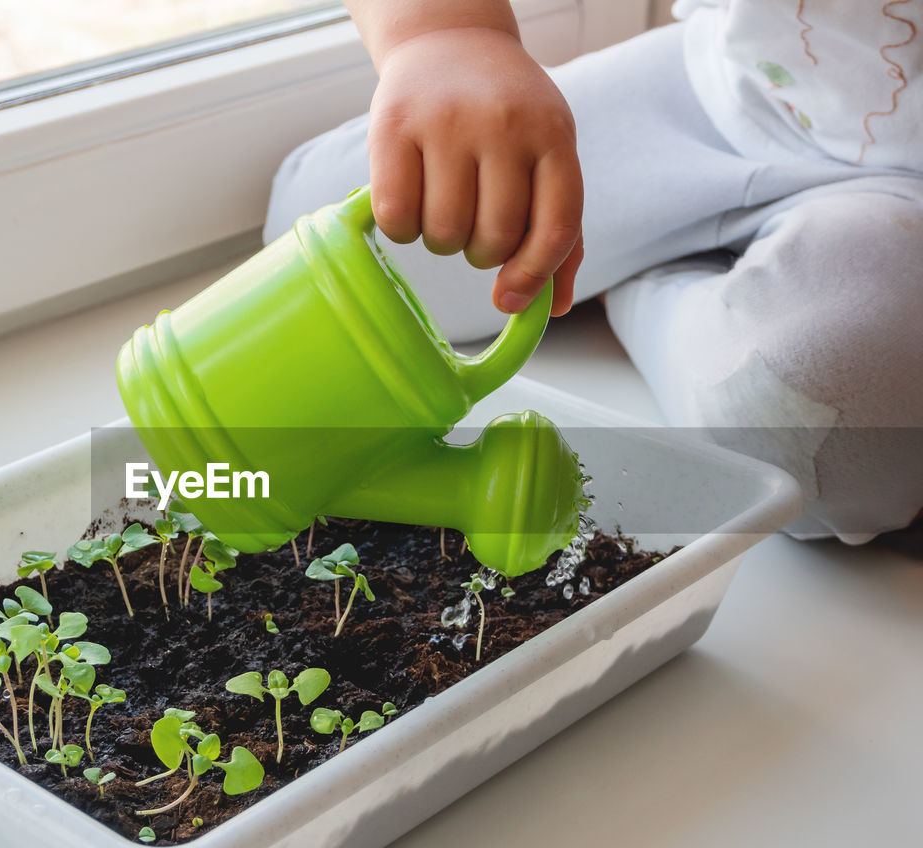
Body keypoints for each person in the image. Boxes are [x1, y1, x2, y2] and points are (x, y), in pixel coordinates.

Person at [265, 0, 923, 543]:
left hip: (905, 197)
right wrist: (447, 35)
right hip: (732, 91)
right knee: (313, 250)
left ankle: (638, 281)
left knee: (824, 437)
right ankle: (681, 254)